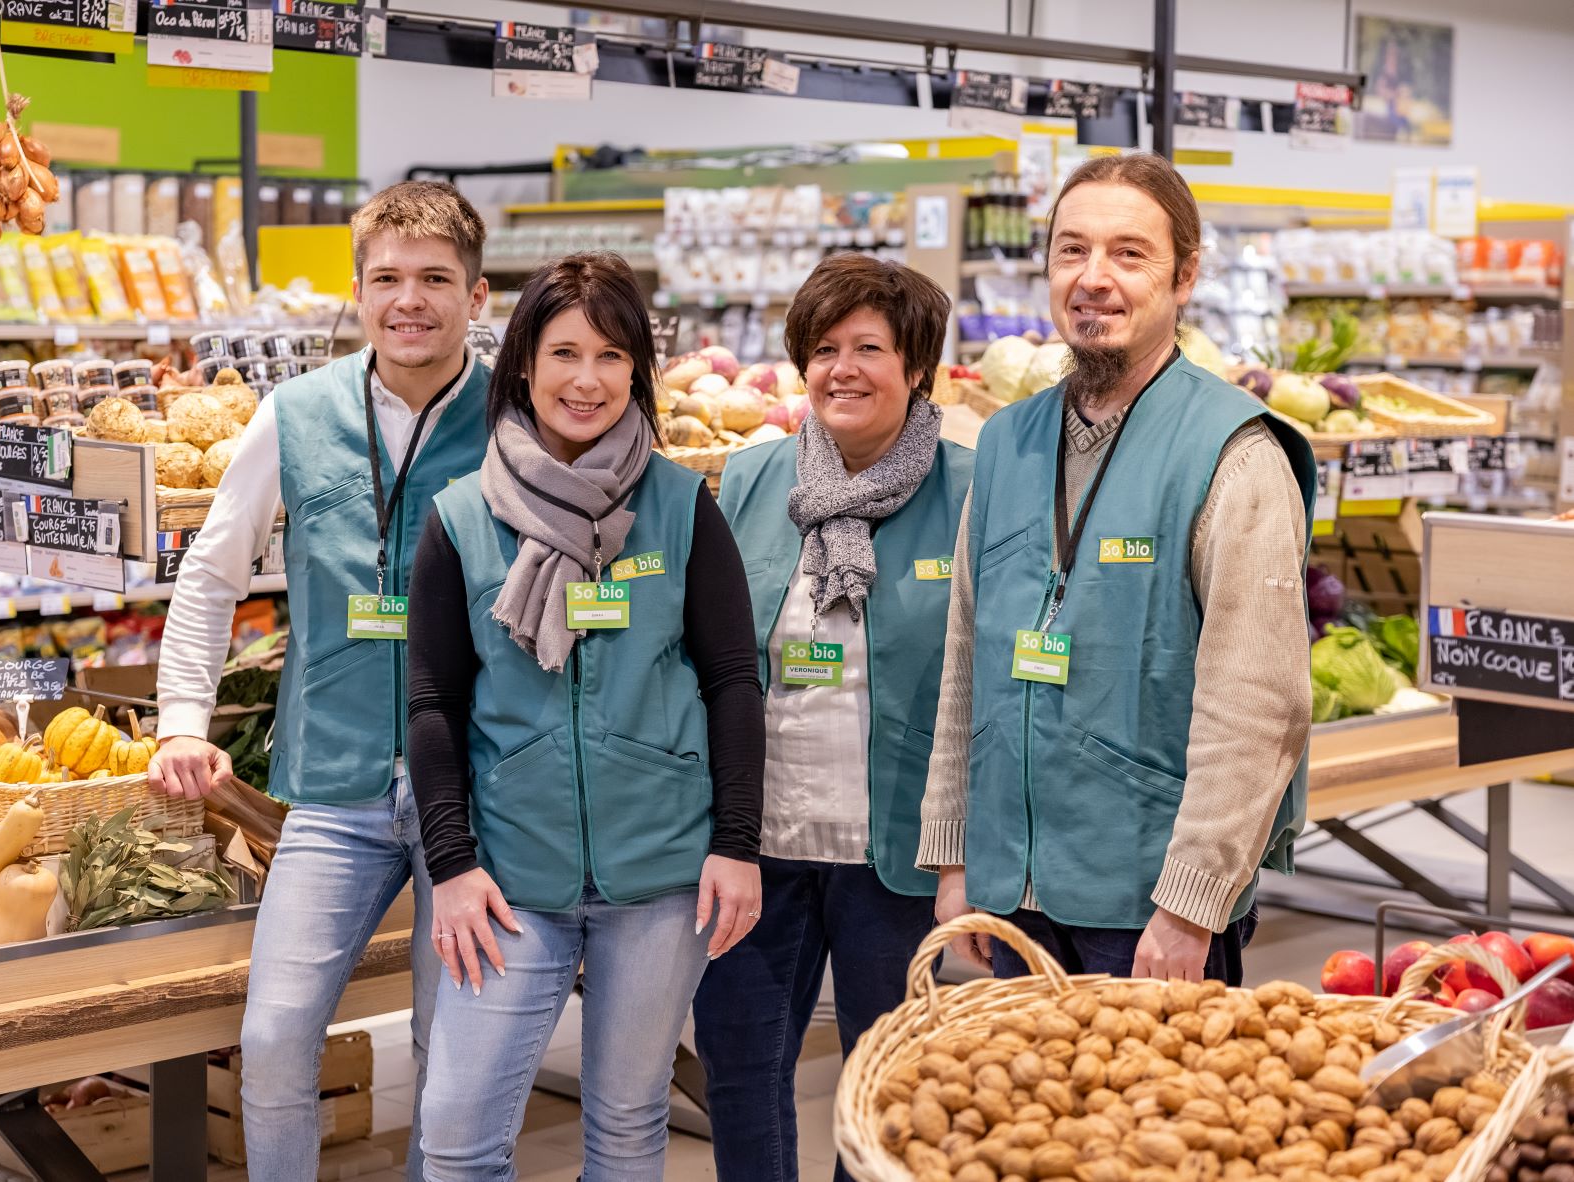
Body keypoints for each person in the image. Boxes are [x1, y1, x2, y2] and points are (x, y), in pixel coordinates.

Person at [150, 181, 493, 1181]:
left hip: (474, 791)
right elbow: (211, 573)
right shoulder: (294, 416)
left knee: (450, 1049)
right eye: (386, 278)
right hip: (334, 784)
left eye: (435, 278)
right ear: (357, 290)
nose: (409, 300)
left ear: (475, 296)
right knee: (272, 1034)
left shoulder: (518, 413)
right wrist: (181, 720)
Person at [405, 251, 765, 1180]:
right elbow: (435, 702)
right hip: (510, 881)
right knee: (453, 1135)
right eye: (565, 353)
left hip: (661, 874)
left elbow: (731, 679)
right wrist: (451, 865)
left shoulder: (682, 506)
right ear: (522, 363)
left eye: (612, 356)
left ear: (637, 371)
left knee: (626, 1118)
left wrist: (736, 842)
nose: (588, 380)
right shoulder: (461, 517)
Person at [919, 152, 1317, 985]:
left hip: (1147, 912)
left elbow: (1257, 702)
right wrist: (955, 859)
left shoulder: (1233, 454)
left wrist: (1191, 904)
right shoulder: (1002, 441)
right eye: (1071, 251)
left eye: (1128, 254)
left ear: (1185, 275)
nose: (1093, 278)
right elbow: (965, 660)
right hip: (1012, 897)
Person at [693, 253, 972, 1182]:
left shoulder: (973, 491)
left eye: (868, 347)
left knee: (886, 1084)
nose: (842, 368)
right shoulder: (750, 480)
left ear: (917, 366)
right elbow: (715, 661)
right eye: (823, 348)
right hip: (758, 845)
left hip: (892, 852)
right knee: (738, 1066)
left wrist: (967, 850)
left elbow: (983, 689)